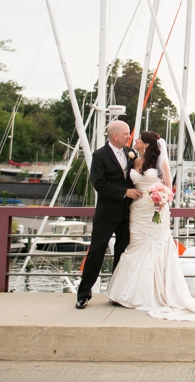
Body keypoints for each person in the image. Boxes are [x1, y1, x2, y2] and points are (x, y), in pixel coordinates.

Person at [106, 130, 195, 321]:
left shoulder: (159, 162)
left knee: (154, 249)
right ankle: (129, 293)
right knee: (135, 248)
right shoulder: (134, 161)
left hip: (154, 210)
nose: (135, 140)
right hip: (137, 211)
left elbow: (168, 188)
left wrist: (161, 199)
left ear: (146, 144)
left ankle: (152, 294)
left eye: (138, 138)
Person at [75, 120, 142, 310]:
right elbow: (99, 184)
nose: (129, 136)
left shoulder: (132, 153)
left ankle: (117, 294)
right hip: (106, 214)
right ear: (115, 136)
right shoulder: (99, 156)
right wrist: (124, 192)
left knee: (122, 255)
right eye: (126, 133)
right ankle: (83, 294)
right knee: (96, 253)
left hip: (127, 214)